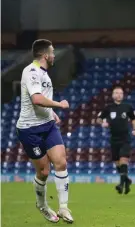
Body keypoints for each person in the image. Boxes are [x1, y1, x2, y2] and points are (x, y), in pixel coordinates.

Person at [16, 39, 73, 223]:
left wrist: (52, 112)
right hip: (29, 129)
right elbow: (37, 99)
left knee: (61, 162)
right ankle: (42, 205)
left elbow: (43, 100)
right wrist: (59, 104)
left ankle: (64, 207)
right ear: (45, 55)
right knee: (44, 172)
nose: (54, 55)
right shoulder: (31, 71)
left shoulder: (44, 74)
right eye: (53, 52)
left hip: (48, 125)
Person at [97, 86, 135, 194]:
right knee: (117, 163)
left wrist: (134, 129)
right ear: (112, 95)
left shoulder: (128, 107)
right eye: (116, 93)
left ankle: (121, 185)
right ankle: (127, 180)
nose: (118, 94)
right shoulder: (108, 107)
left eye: (120, 93)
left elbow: (134, 118)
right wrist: (103, 123)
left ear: (123, 95)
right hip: (113, 139)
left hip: (125, 138)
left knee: (123, 160)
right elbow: (98, 118)